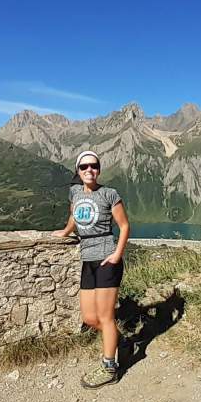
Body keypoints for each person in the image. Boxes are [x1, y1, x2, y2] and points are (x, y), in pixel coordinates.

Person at [52, 150, 130, 389]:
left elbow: (124, 225)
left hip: (107, 260)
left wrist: (117, 254)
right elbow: (73, 215)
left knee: (105, 317)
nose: (89, 170)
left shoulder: (109, 194)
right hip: (88, 260)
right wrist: (66, 232)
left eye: (94, 166)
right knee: (89, 317)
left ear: (99, 169)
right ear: (78, 170)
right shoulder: (75, 192)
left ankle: (109, 368)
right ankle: (116, 340)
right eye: (84, 166)